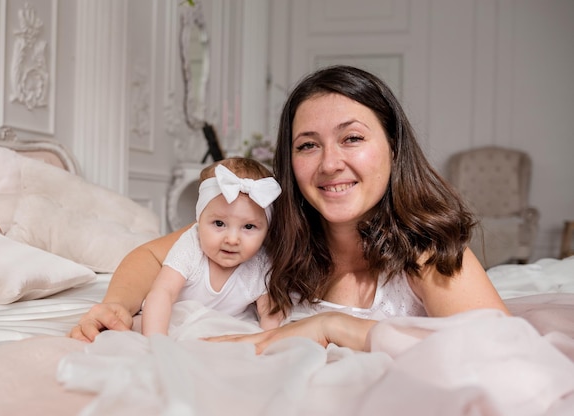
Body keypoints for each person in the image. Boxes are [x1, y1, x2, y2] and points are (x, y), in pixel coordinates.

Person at [69, 65, 509, 352]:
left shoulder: (425, 251)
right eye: (307, 145)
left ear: (393, 147)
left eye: (352, 138)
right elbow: (152, 255)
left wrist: (330, 328)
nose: (330, 163)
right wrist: (118, 305)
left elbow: (498, 352)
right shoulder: (264, 232)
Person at [141, 157, 283, 336]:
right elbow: (162, 292)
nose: (232, 239)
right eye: (219, 223)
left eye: (248, 227)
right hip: (176, 322)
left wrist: (267, 345)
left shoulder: (260, 264)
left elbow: (270, 315)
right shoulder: (191, 246)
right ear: (199, 220)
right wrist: (157, 339)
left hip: (229, 330)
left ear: (266, 231)